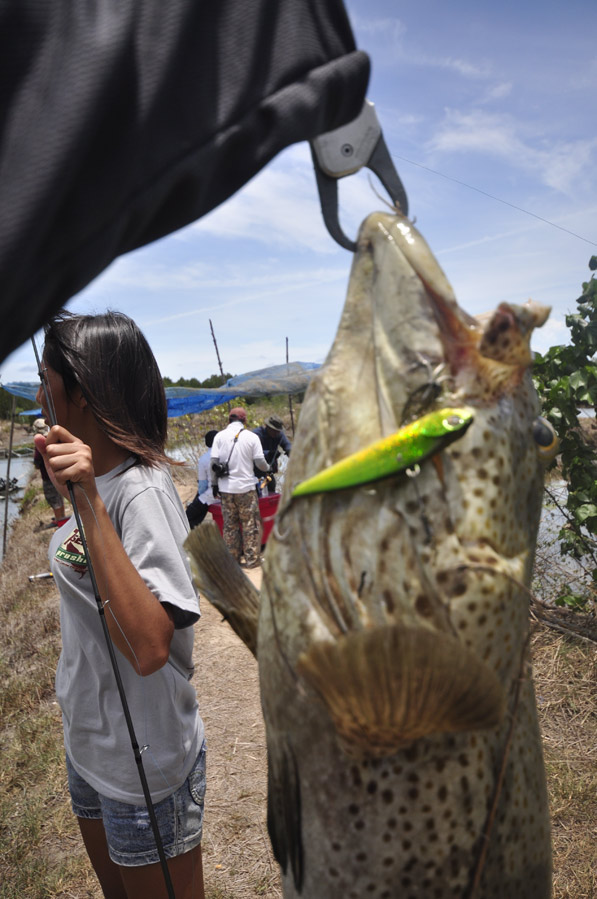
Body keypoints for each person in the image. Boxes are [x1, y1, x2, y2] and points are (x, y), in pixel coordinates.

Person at [33, 311, 206, 899]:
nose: (38, 394)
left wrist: (88, 503)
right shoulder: (95, 484)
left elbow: (151, 646)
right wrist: (71, 497)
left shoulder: (138, 490)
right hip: (91, 746)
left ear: (79, 392)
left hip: (145, 767)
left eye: (45, 379)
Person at [210, 407, 269, 569]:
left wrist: (214, 485)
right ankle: (252, 560)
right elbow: (260, 463)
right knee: (250, 524)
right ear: (244, 420)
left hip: (226, 490)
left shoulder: (219, 437)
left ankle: (233, 560)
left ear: (229, 420)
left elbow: (213, 463)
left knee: (230, 525)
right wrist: (268, 468)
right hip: (246, 489)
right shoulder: (252, 437)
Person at [32, 417, 67, 523]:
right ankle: (61, 518)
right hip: (57, 474)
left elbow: (37, 461)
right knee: (59, 497)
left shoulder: (41, 442)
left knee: (53, 499)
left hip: (48, 476)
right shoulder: (53, 438)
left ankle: (59, 520)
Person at [185, 430, 218, 529]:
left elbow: (202, 485)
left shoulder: (204, 459)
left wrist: (197, 499)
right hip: (227, 491)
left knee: (187, 517)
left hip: (211, 494)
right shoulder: (227, 454)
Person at [252, 415, 291, 495]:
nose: (276, 433)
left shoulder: (279, 435)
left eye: (278, 431)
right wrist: (269, 453)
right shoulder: (256, 435)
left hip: (269, 470)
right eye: (274, 430)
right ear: (267, 427)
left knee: (271, 489)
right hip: (256, 471)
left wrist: (291, 453)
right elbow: (251, 453)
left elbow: (287, 446)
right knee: (257, 492)